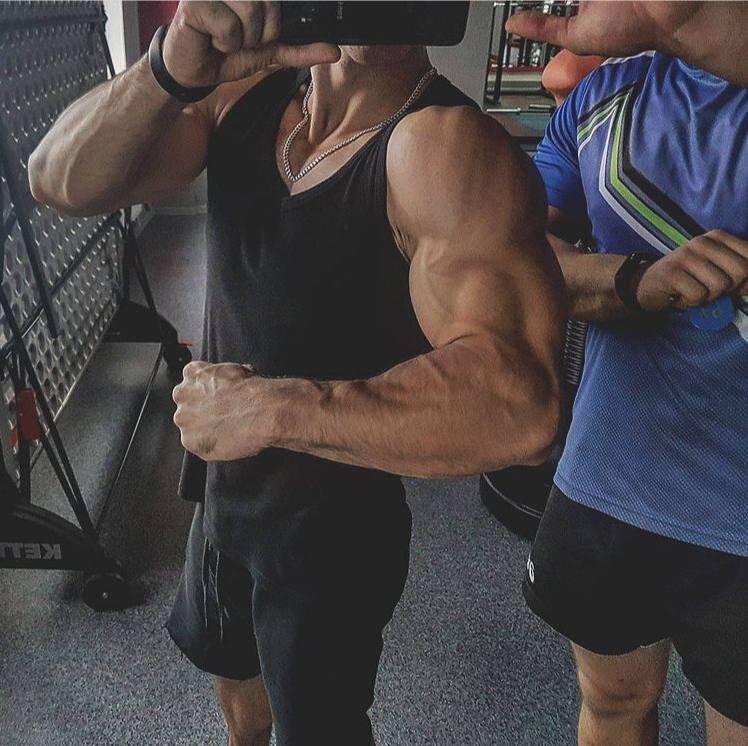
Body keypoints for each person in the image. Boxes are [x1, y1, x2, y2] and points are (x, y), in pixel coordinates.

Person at [29, 3, 565, 744]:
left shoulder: (440, 146)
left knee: (319, 727)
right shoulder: (241, 95)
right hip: (221, 493)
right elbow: (57, 180)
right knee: (235, 687)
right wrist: (167, 70)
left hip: (330, 529)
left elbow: (521, 406)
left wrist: (272, 410)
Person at [507, 2, 748, 744]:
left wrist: (671, 21)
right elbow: (517, 259)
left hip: (739, 517)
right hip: (610, 478)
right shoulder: (603, 93)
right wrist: (635, 282)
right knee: (611, 702)